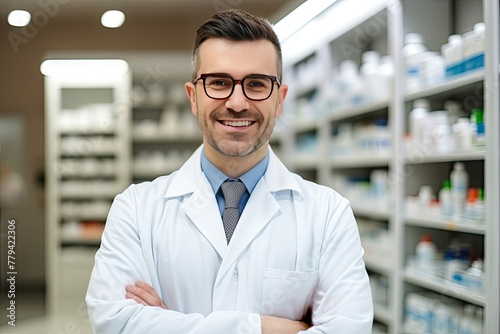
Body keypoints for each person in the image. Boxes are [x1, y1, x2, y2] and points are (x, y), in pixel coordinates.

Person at [86, 9, 373, 333]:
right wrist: (272, 327)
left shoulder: (329, 215)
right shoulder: (136, 210)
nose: (237, 102)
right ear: (193, 97)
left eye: (256, 83)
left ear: (279, 100)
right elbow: (116, 324)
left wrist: (168, 323)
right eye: (219, 82)